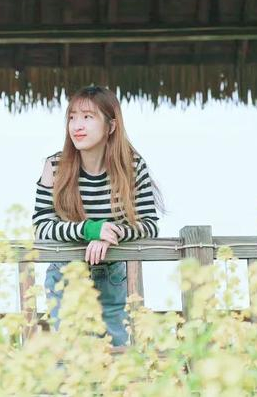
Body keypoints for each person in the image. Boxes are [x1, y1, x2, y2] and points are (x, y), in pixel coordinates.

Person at [32, 84, 165, 347]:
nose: (77, 126)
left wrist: (111, 234)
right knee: (70, 358)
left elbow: (150, 225)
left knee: (116, 357)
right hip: (66, 273)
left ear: (111, 126)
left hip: (113, 275)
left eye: (88, 117)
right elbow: (42, 226)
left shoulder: (132, 166)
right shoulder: (55, 165)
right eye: (72, 117)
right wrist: (90, 230)